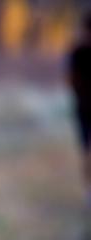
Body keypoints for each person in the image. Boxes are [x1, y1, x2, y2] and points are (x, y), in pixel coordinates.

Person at [68, 11, 91, 206]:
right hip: (84, 109)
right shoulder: (78, 53)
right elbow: (73, 81)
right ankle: (88, 189)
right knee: (86, 151)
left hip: (83, 108)